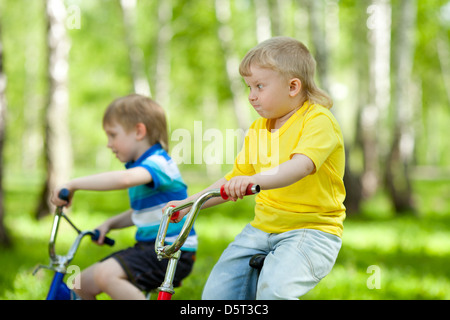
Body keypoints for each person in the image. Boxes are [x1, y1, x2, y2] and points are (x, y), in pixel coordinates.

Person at [166, 37, 345, 300]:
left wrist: (254, 181)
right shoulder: (258, 128)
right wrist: (188, 205)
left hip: (311, 231)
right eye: (248, 87)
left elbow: (300, 167)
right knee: (216, 294)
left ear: (293, 86)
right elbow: (234, 178)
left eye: (259, 86)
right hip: (261, 229)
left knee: (274, 291)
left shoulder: (318, 120)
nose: (251, 96)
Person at [51, 94, 197, 300]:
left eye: (112, 135)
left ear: (139, 131)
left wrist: (73, 184)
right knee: (80, 283)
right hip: (148, 249)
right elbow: (143, 213)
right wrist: (109, 224)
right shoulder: (142, 168)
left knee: (105, 274)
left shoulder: (159, 163)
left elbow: (124, 179)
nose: (109, 144)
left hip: (173, 252)